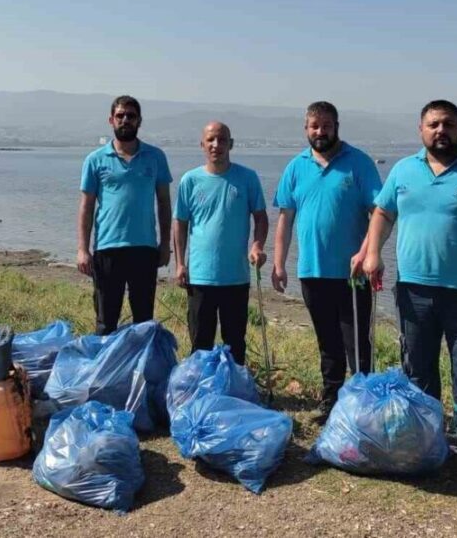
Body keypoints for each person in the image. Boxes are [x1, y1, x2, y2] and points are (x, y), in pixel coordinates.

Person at [361, 99, 457, 469]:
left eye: (448, 124)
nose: (440, 130)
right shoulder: (403, 170)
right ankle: (426, 431)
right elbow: (383, 213)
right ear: (421, 130)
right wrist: (372, 253)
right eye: (433, 124)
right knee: (418, 365)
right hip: (414, 289)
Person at [272, 101, 383, 422]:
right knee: (327, 342)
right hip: (312, 272)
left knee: (357, 343)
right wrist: (279, 265)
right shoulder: (296, 167)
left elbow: (378, 212)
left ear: (337, 126)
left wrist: (367, 252)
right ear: (306, 129)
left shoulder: (358, 163)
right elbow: (285, 218)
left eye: (326, 125)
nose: (320, 132)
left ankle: (365, 405)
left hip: (353, 275)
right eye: (314, 126)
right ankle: (331, 400)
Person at [173, 121, 268, 365]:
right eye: (211, 140)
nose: (217, 145)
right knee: (200, 341)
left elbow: (260, 217)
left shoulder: (247, 178)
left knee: (235, 342)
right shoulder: (190, 181)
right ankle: (199, 392)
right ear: (202, 144)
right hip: (201, 276)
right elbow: (180, 223)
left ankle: (233, 391)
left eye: (222, 140)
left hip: (236, 277)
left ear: (231, 144)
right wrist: (180, 264)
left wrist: (257, 245)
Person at [77, 95, 173, 335]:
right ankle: (105, 371)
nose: (125, 120)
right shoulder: (95, 160)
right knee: (105, 321)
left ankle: (139, 371)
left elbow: (163, 203)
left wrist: (164, 245)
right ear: (111, 120)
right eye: (120, 116)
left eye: (131, 116)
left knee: (143, 321)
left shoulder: (155, 157)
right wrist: (82, 249)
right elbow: (86, 207)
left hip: (144, 249)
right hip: (108, 248)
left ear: (139, 120)